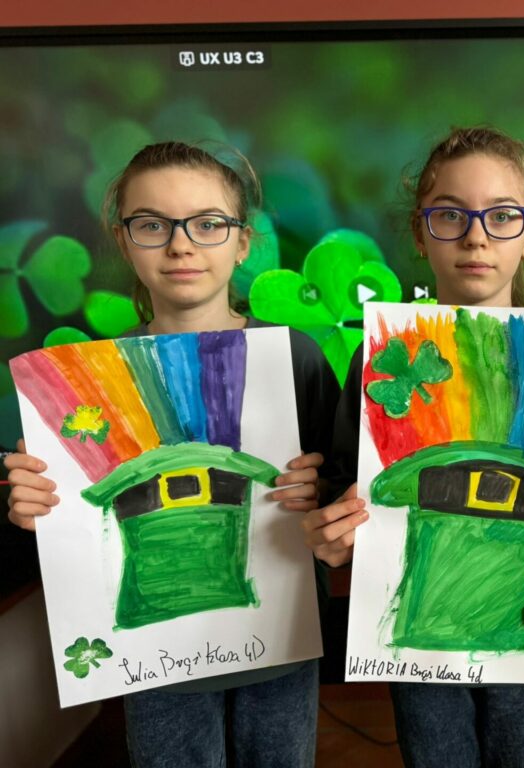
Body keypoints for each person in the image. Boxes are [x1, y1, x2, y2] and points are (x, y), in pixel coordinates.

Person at [302, 125, 524, 767]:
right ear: (419, 232)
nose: (476, 236)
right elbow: (347, 487)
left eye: (501, 215)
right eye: (449, 215)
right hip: (421, 630)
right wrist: (334, 531)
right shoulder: (380, 361)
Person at [5, 141, 341, 768]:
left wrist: (321, 496)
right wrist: (40, 507)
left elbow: (346, 491)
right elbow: (75, 516)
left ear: (242, 242)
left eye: (208, 224)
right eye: (153, 225)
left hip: (282, 639)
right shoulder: (90, 386)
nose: (181, 245)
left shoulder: (297, 357)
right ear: (124, 239)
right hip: (154, 658)